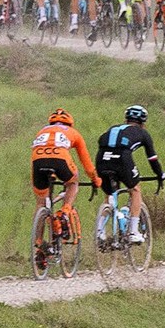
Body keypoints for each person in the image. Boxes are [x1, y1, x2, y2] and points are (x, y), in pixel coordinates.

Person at [30, 108, 98, 254]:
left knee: (41, 202)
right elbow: (87, 164)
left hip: (38, 161)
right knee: (72, 183)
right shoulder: (73, 133)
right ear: (70, 124)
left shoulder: (42, 131)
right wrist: (95, 179)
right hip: (60, 158)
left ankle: (39, 242)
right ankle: (65, 212)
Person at [96, 105, 165, 245]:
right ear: (143, 122)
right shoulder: (143, 133)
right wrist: (160, 174)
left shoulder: (114, 128)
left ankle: (99, 231)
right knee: (135, 189)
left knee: (110, 194)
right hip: (122, 158)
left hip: (102, 159)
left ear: (126, 119)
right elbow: (152, 159)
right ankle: (133, 231)